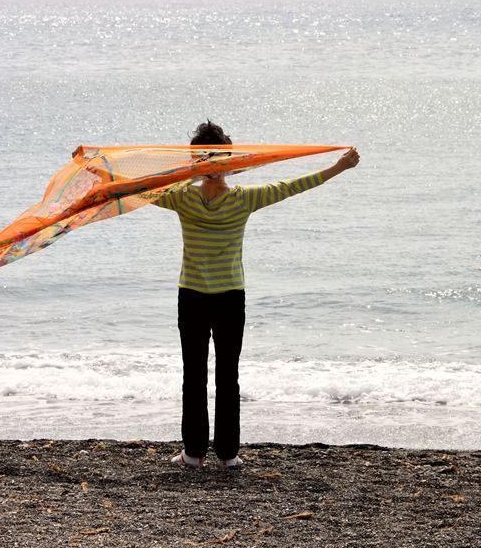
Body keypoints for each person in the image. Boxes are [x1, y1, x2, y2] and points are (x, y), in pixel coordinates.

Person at [153, 121, 359, 469]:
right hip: (228, 297)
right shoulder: (243, 199)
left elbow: (129, 191)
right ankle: (227, 456)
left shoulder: (180, 197)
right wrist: (339, 167)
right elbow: (294, 186)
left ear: (195, 161)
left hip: (194, 297)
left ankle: (194, 454)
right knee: (225, 374)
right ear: (229, 159)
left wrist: (94, 168)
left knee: (195, 374)